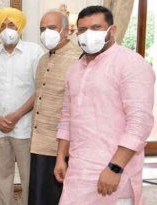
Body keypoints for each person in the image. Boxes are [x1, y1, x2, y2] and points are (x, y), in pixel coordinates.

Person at [54, 6, 155, 205]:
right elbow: (67, 117)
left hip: (113, 174)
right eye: (82, 30)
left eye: (96, 27)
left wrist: (115, 167)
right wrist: (60, 157)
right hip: (77, 172)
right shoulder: (75, 69)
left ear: (112, 29)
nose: (88, 34)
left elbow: (140, 123)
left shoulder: (131, 64)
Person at [0, 7, 43, 205]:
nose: (7, 29)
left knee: (27, 177)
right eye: (3, 25)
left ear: (20, 27)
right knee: (3, 177)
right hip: (0, 129)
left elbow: (39, 90)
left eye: (11, 25)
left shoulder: (34, 52)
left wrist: (15, 117)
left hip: (24, 128)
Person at [29, 11, 82, 205]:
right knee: (37, 195)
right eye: (42, 29)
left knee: (56, 197)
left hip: (61, 145)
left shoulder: (79, 59)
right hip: (38, 142)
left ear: (66, 30)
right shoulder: (43, 60)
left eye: (51, 28)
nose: (46, 33)